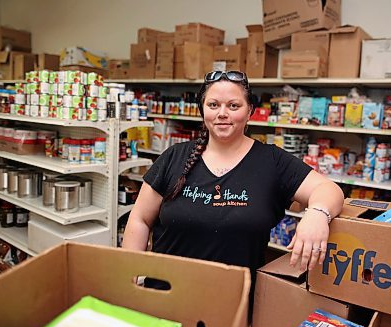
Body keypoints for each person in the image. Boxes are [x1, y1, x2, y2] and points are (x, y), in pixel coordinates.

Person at [122, 70, 344, 280]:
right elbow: (140, 219)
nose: (222, 113)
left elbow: (329, 190)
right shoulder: (174, 156)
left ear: (249, 111)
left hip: (233, 304)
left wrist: (317, 214)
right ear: (202, 109)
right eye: (213, 105)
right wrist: (129, 277)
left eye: (233, 105)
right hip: (162, 295)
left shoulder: (272, 161)